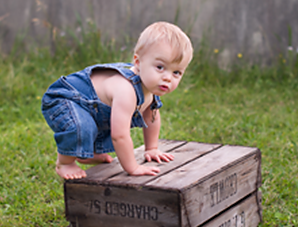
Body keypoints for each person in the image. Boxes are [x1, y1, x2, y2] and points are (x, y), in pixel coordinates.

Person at [41, 21, 193, 182]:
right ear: (138, 62)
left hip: (92, 106)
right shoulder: (126, 90)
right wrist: (132, 167)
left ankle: (87, 153)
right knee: (82, 126)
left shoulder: (150, 86)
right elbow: (119, 135)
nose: (168, 77)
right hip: (66, 98)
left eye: (176, 72)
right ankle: (64, 162)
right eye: (160, 67)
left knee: (103, 120)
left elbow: (152, 117)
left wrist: (152, 148)